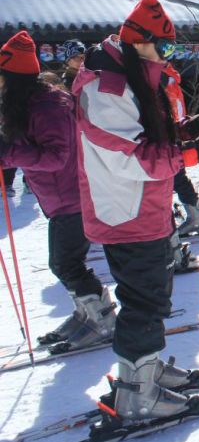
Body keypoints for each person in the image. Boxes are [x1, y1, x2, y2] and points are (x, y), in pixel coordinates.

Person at [74, 0, 199, 421]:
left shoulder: (130, 75)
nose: (169, 56)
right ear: (139, 40)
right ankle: (138, 394)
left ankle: (147, 369)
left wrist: (190, 130)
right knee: (143, 301)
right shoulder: (108, 87)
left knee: (154, 297)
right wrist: (191, 152)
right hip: (126, 209)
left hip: (142, 207)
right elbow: (134, 155)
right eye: (166, 47)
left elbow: (151, 134)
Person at [0, 31, 115, 352]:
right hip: (63, 197)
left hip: (74, 196)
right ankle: (87, 313)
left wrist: (7, 152)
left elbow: (56, 156)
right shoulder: (29, 103)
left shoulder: (46, 105)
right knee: (66, 262)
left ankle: (101, 318)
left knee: (66, 264)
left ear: (13, 77)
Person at [162, 61, 199, 235]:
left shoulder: (161, 78)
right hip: (174, 130)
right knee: (176, 176)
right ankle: (195, 214)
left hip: (167, 132)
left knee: (175, 176)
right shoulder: (168, 76)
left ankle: (195, 217)